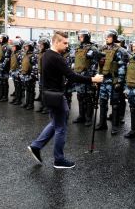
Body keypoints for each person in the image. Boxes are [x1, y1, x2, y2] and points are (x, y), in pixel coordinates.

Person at [28, 31, 103, 169]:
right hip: (55, 96)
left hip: (50, 95)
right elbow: (72, 76)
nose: (67, 45)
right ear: (56, 42)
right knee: (61, 128)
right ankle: (59, 160)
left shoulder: (46, 55)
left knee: (56, 122)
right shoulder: (56, 57)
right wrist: (93, 79)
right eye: (65, 42)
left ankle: (36, 146)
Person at [72, 29, 99, 127]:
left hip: (87, 77)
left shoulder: (93, 48)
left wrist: (91, 76)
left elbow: (95, 64)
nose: (80, 37)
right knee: (80, 96)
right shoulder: (78, 47)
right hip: (78, 76)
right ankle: (81, 116)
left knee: (88, 98)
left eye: (82, 36)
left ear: (87, 37)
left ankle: (88, 118)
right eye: (79, 36)